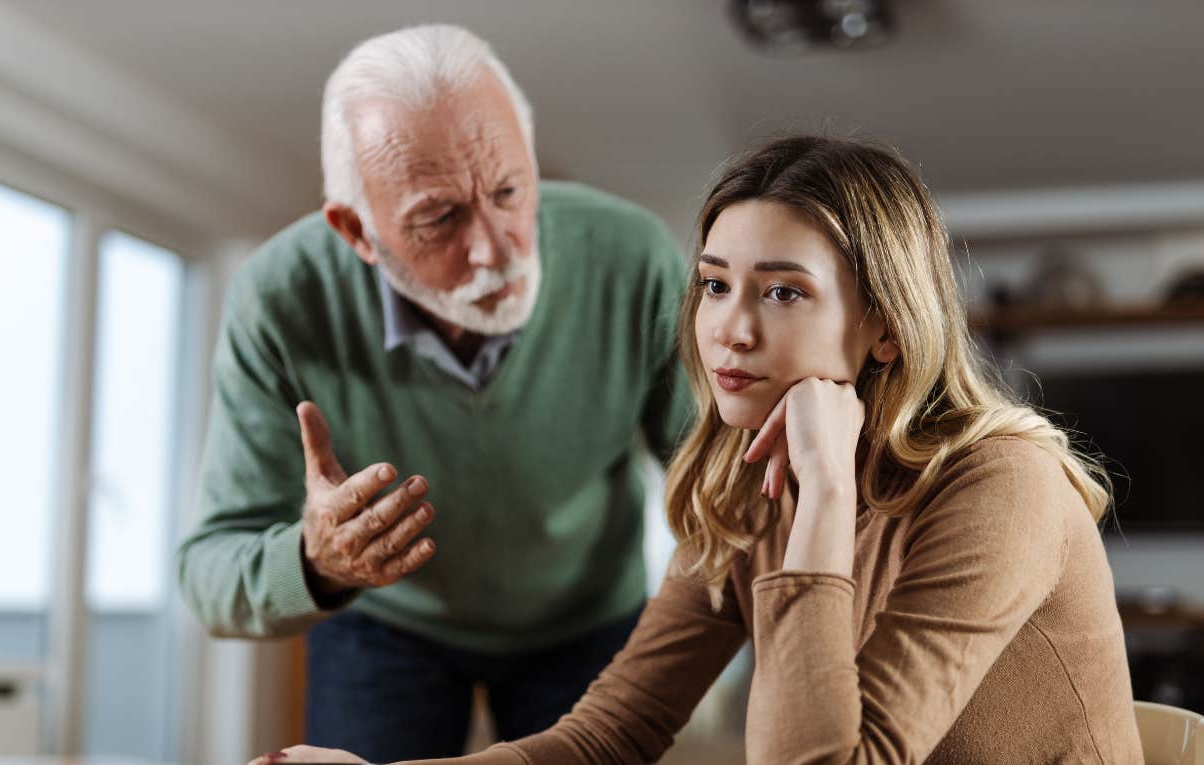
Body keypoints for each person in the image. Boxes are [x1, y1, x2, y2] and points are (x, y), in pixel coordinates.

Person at [254, 135, 1144, 764]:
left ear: (882, 326)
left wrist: (827, 503)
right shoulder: (744, 490)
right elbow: (605, 735)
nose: (731, 330)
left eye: (784, 293)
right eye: (715, 285)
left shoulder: (1000, 482)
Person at [176, 24, 692, 763]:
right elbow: (208, 572)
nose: (496, 248)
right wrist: (317, 562)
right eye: (438, 217)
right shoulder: (279, 298)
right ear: (357, 231)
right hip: (387, 623)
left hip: (588, 617)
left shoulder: (632, 255)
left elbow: (718, 481)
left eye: (510, 190)